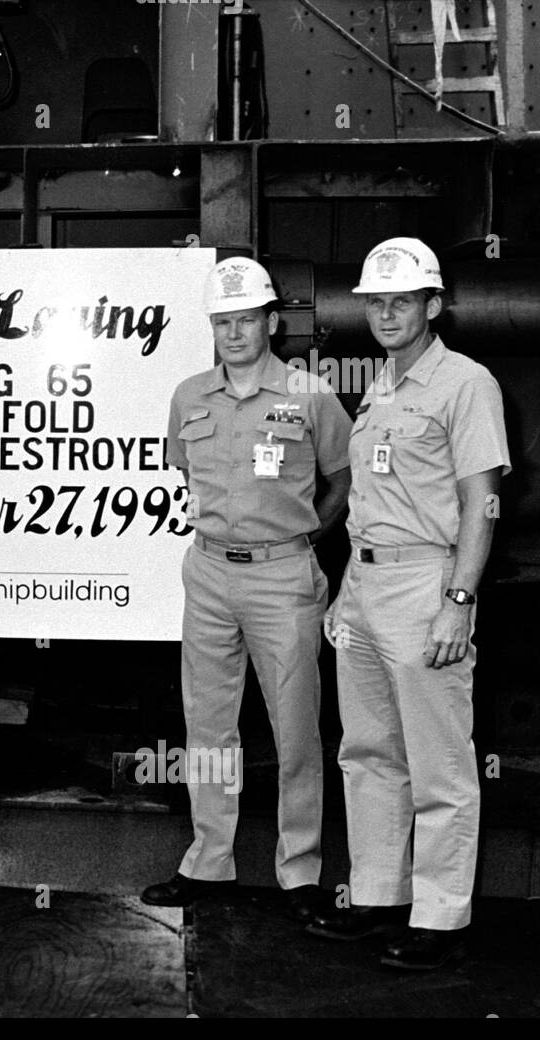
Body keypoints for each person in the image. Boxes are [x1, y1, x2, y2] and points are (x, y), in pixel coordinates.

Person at [308, 238, 510, 970]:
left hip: (428, 587)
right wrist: (347, 595)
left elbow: (482, 502)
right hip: (366, 589)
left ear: (433, 305)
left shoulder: (466, 383)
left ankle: (441, 918)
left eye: (402, 300)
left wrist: (459, 599)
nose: (387, 313)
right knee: (366, 755)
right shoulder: (384, 384)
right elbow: (370, 500)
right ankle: (379, 896)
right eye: (376, 302)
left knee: (439, 764)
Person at [141, 257, 352, 920]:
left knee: (295, 731)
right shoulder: (189, 395)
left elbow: (343, 481)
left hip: (282, 575)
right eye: (222, 322)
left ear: (271, 321)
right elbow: (185, 473)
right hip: (206, 571)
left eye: (246, 320)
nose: (234, 333)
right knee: (207, 727)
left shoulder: (310, 394)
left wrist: (299, 539)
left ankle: (300, 872)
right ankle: (209, 862)